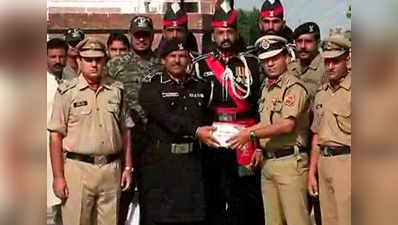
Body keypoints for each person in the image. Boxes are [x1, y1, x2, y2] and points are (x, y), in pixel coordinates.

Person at [192, 1, 264, 224]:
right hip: (213, 137)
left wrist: (259, 145)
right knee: (213, 194)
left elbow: (261, 106)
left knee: (245, 197)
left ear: (236, 32)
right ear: (213, 34)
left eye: (229, 32)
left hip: (245, 136)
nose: (225, 37)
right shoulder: (200, 66)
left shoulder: (252, 64)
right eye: (220, 32)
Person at [228, 35, 312, 225]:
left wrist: (250, 134)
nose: (270, 64)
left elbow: (287, 125)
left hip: (290, 162)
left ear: (286, 58)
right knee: (272, 221)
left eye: (275, 58)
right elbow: (266, 121)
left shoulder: (293, 87)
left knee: (296, 220)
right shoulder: (267, 87)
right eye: (265, 60)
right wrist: (253, 141)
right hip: (268, 163)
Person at [48, 38, 133, 225]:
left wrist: (127, 167)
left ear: (105, 61)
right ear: (79, 60)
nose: (94, 64)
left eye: (98, 59)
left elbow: (126, 130)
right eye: (88, 59)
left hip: (111, 169)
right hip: (78, 169)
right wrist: (58, 177)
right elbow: (55, 136)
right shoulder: (67, 92)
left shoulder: (116, 90)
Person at [138, 39, 217, 225]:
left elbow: (208, 118)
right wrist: (196, 130)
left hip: (192, 163)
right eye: (172, 56)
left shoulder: (201, 86)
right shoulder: (152, 86)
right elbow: (166, 118)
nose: (177, 60)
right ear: (164, 59)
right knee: (161, 217)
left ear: (189, 59)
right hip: (162, 163)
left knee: (192, 216)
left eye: (182, 56)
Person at [106, 15, 162, 225]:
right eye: (137, 35)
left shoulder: (162, 63)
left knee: (152, 195)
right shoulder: (115, 65)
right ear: (131, 36)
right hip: (125, 140)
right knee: (122, 194)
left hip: (153, 140)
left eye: (145, 35)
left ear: (152, 36)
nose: (141, 39)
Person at [308, 32, 351, 225]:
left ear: (347, 59)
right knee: (328, 220)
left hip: (348, 163)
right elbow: (317, 135)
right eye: (327, 61)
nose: (330, 66)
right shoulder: (321, 93)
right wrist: (312, 172)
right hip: (324, 164)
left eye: (336, 61)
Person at [47, 37, 69, 225]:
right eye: (53, 56)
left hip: (68, 156)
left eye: (61, 56)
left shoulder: (71, 83)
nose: (57, 60)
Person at [291, 22, 327, 101]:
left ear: (318, 43)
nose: (303, 46)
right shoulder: (290, 68)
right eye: (299, 41)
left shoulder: (327, 68)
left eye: (308, 41)